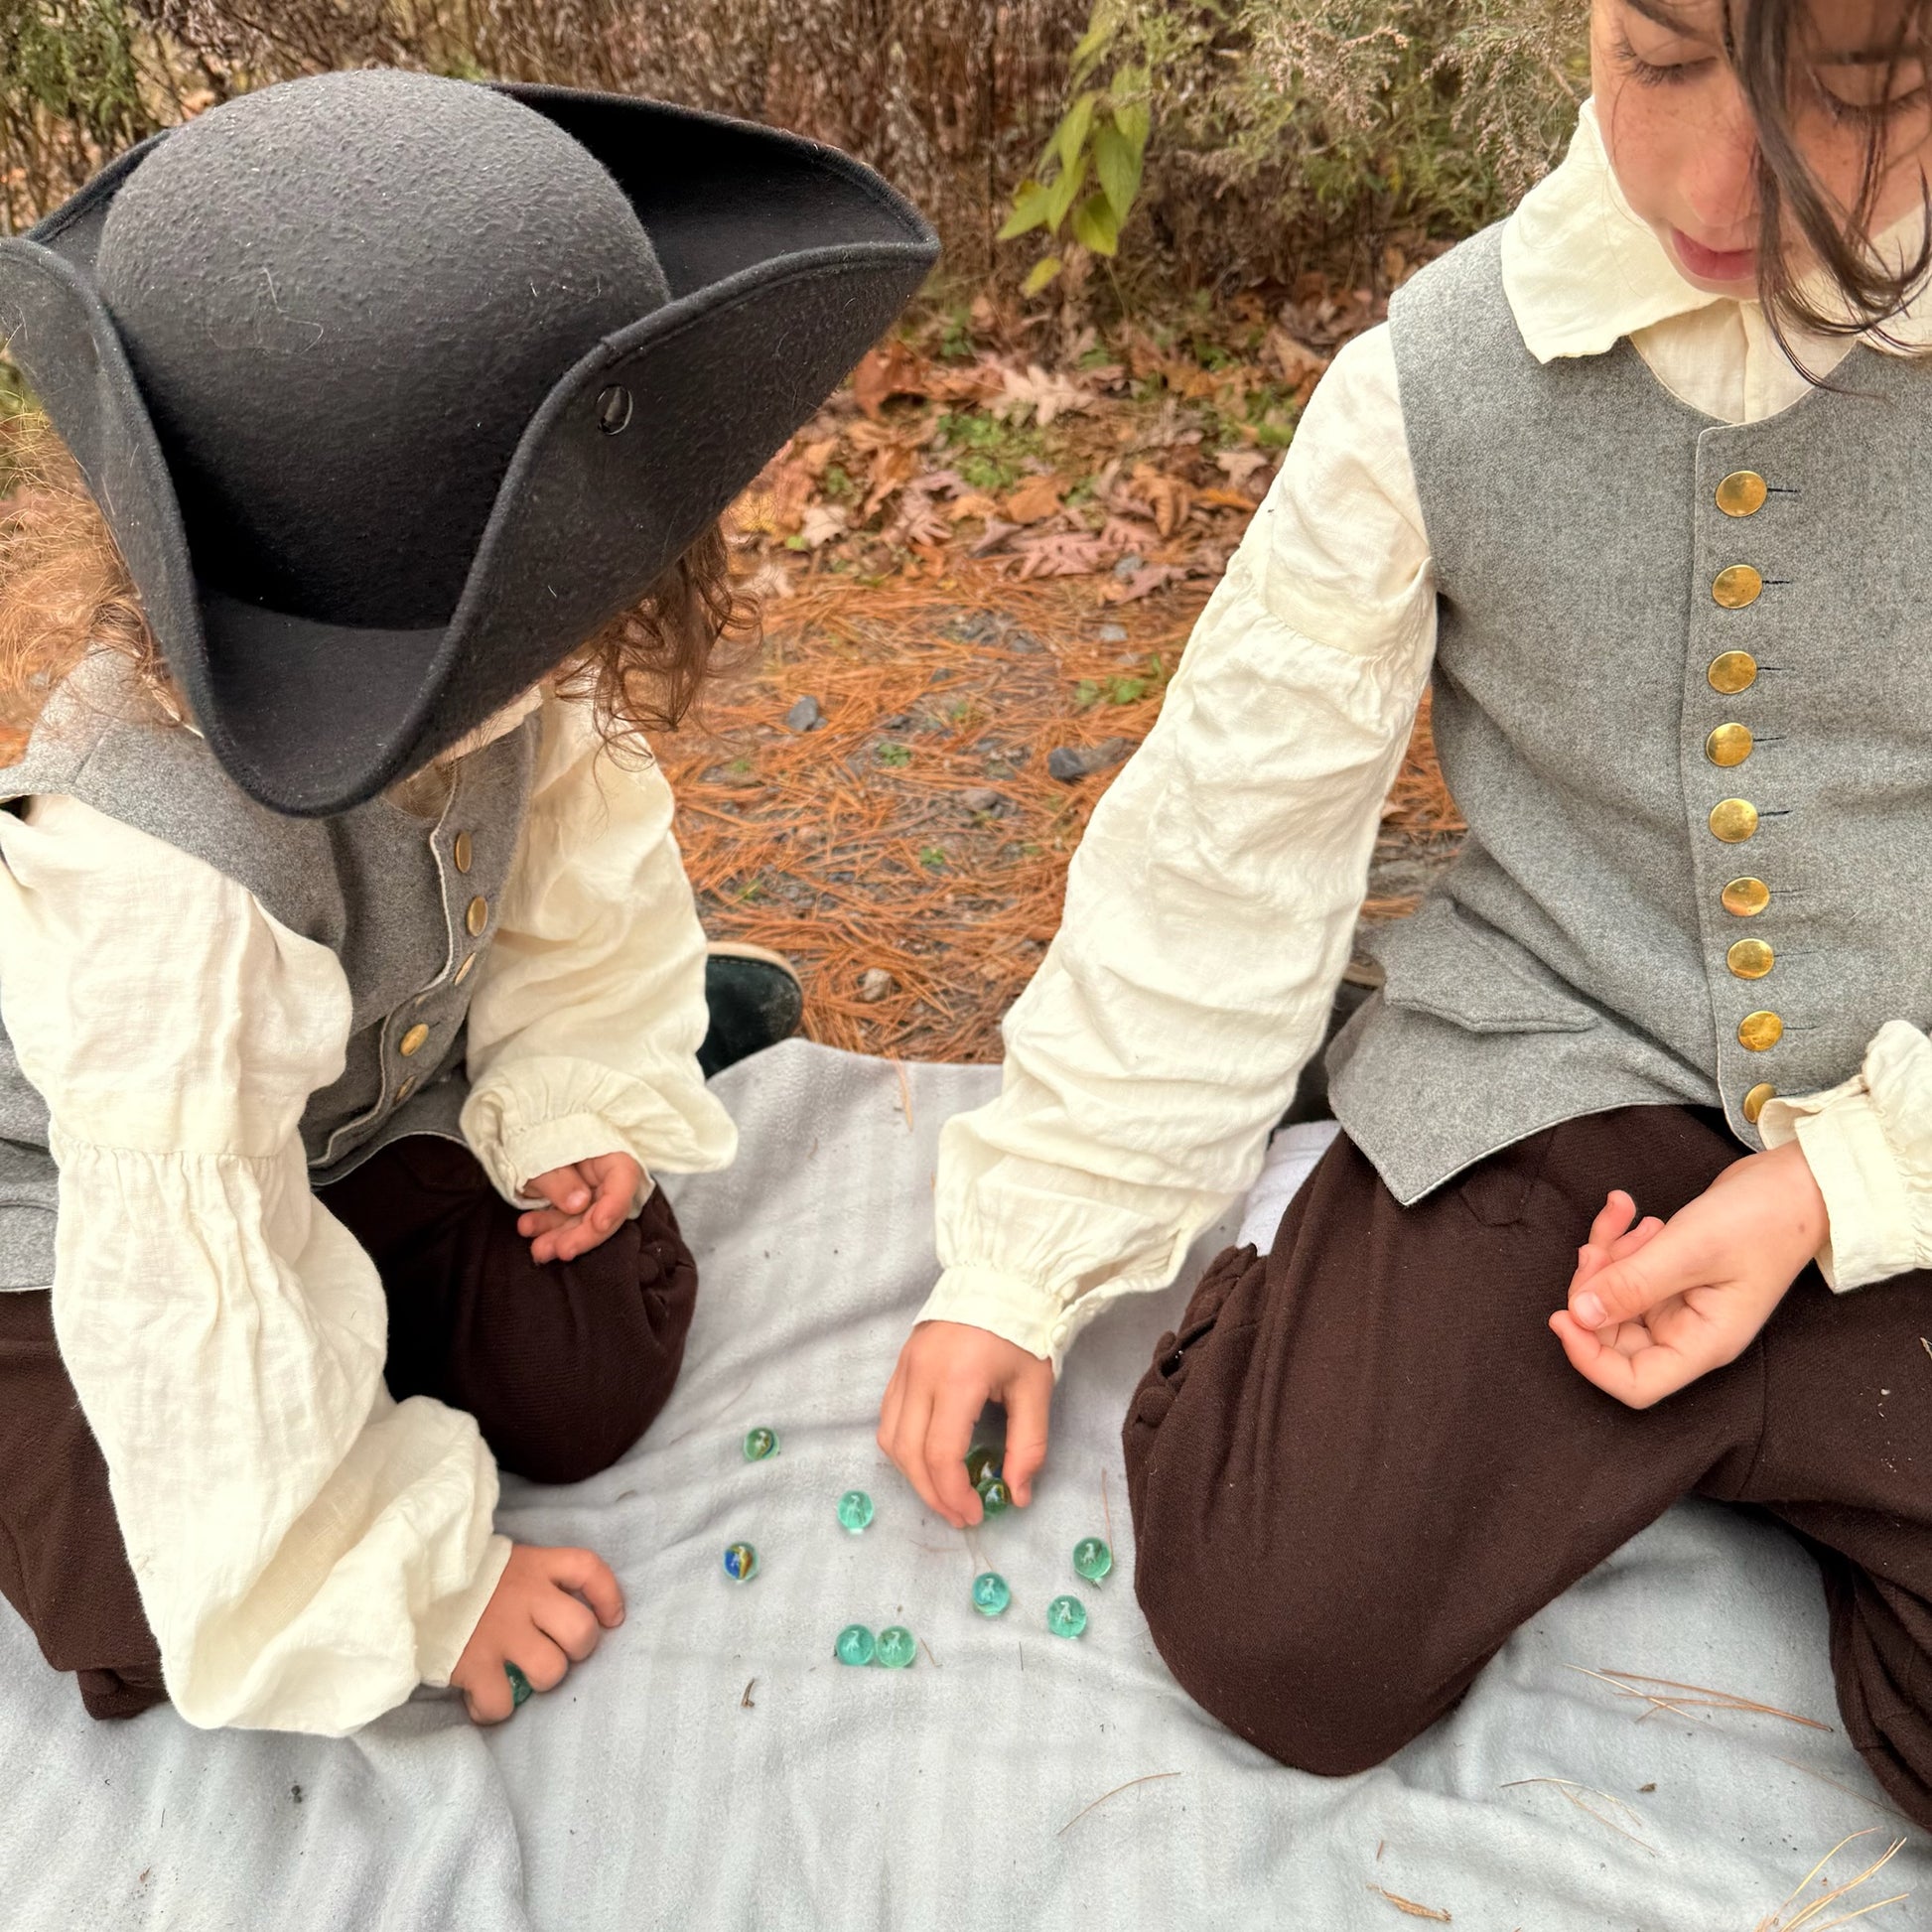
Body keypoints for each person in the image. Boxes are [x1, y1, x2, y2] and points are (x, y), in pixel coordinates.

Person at [880, 0, 1932, 1822]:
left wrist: (1839, 1186)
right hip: (1553, 1073)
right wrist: (1029, 1250)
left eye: (1848, 95)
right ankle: (1334, 1304)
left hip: (1909, 1110)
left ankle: (1736, 1423)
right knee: (1274, 1624)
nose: (1707, 178)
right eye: (1660, 62)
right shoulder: (1434, 379)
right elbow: (1232, 829)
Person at [0, 67, 935, 1733]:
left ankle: (386, 1299)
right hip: (88, 1209)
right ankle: (316, 1417)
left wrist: (568, 1081)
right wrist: (410, 1579)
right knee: (142, 1606)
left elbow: (583, 879)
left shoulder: (522, 679)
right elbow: (183, 1255)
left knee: (591, 1354)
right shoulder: (162, 881)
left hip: (355, 1109)